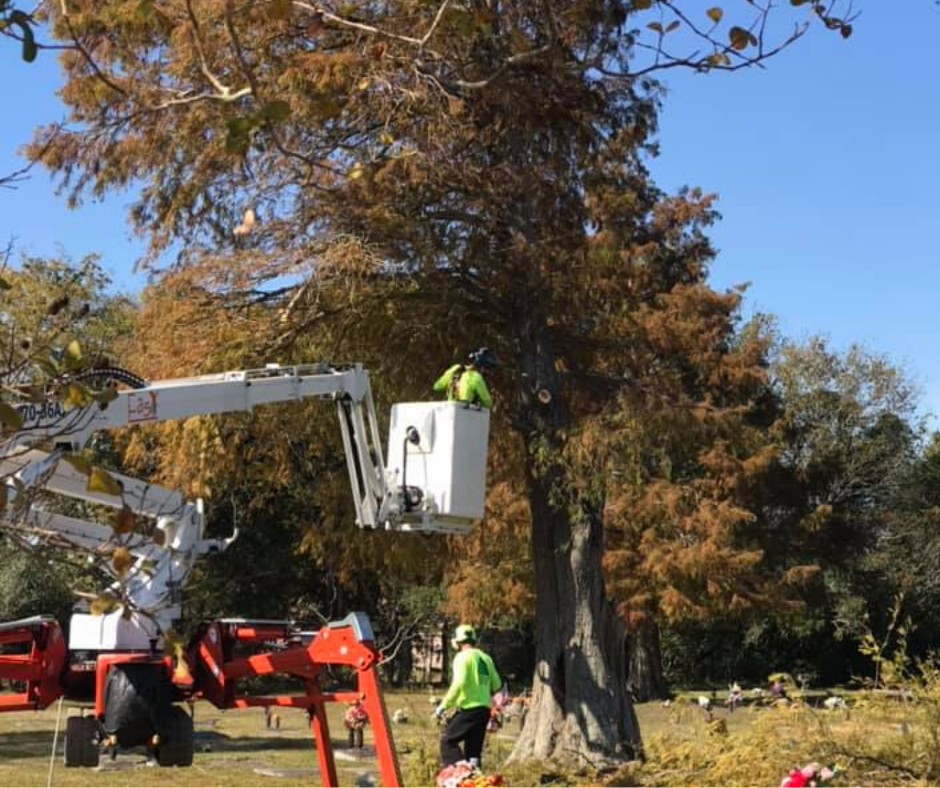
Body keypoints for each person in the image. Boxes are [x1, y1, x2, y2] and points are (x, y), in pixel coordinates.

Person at [434, 624, 502, 767]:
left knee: (447, 741)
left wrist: (443, 706)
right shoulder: (486, 658)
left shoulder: (462, 657)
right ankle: (476, 776)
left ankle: (461, 773)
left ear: (458, 642)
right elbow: (496, 684)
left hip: (469, 709)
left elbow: (459, 683)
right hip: (484, 711)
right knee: (473, 752)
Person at [433, 348, 497, 409]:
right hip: (465, 413)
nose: (489, 372)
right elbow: (488, 402)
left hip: (450, 412)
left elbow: (437, 386)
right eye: (488, 369)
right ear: (482, 367)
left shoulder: (455, 368)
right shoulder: (476, 377)